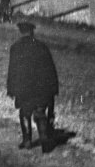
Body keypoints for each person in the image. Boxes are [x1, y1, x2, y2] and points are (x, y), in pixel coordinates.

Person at [7, 21, 59, 152]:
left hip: (24, 89)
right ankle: (44, 140)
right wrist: (54, 88)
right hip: (41, 88)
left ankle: (27, 141)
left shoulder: (15, 47)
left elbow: (12, 71)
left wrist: (11, 89)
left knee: (25, 113)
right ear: (32, 32)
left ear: (21, 32)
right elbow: (50, 68)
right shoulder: (42, 46)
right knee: (40, 113)